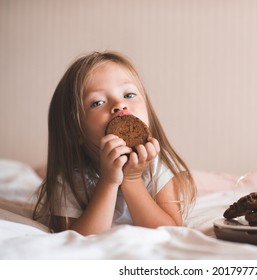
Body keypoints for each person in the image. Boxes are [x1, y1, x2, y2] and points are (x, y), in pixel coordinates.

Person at [33, 51, 197, 235]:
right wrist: (108, 181)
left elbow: (170, 232)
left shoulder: (159, 165)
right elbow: (78, 239)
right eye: (97, 102)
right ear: (75, 130)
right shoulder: (70, 179)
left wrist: (132, 179)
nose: (119, 104)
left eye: (128, 95)